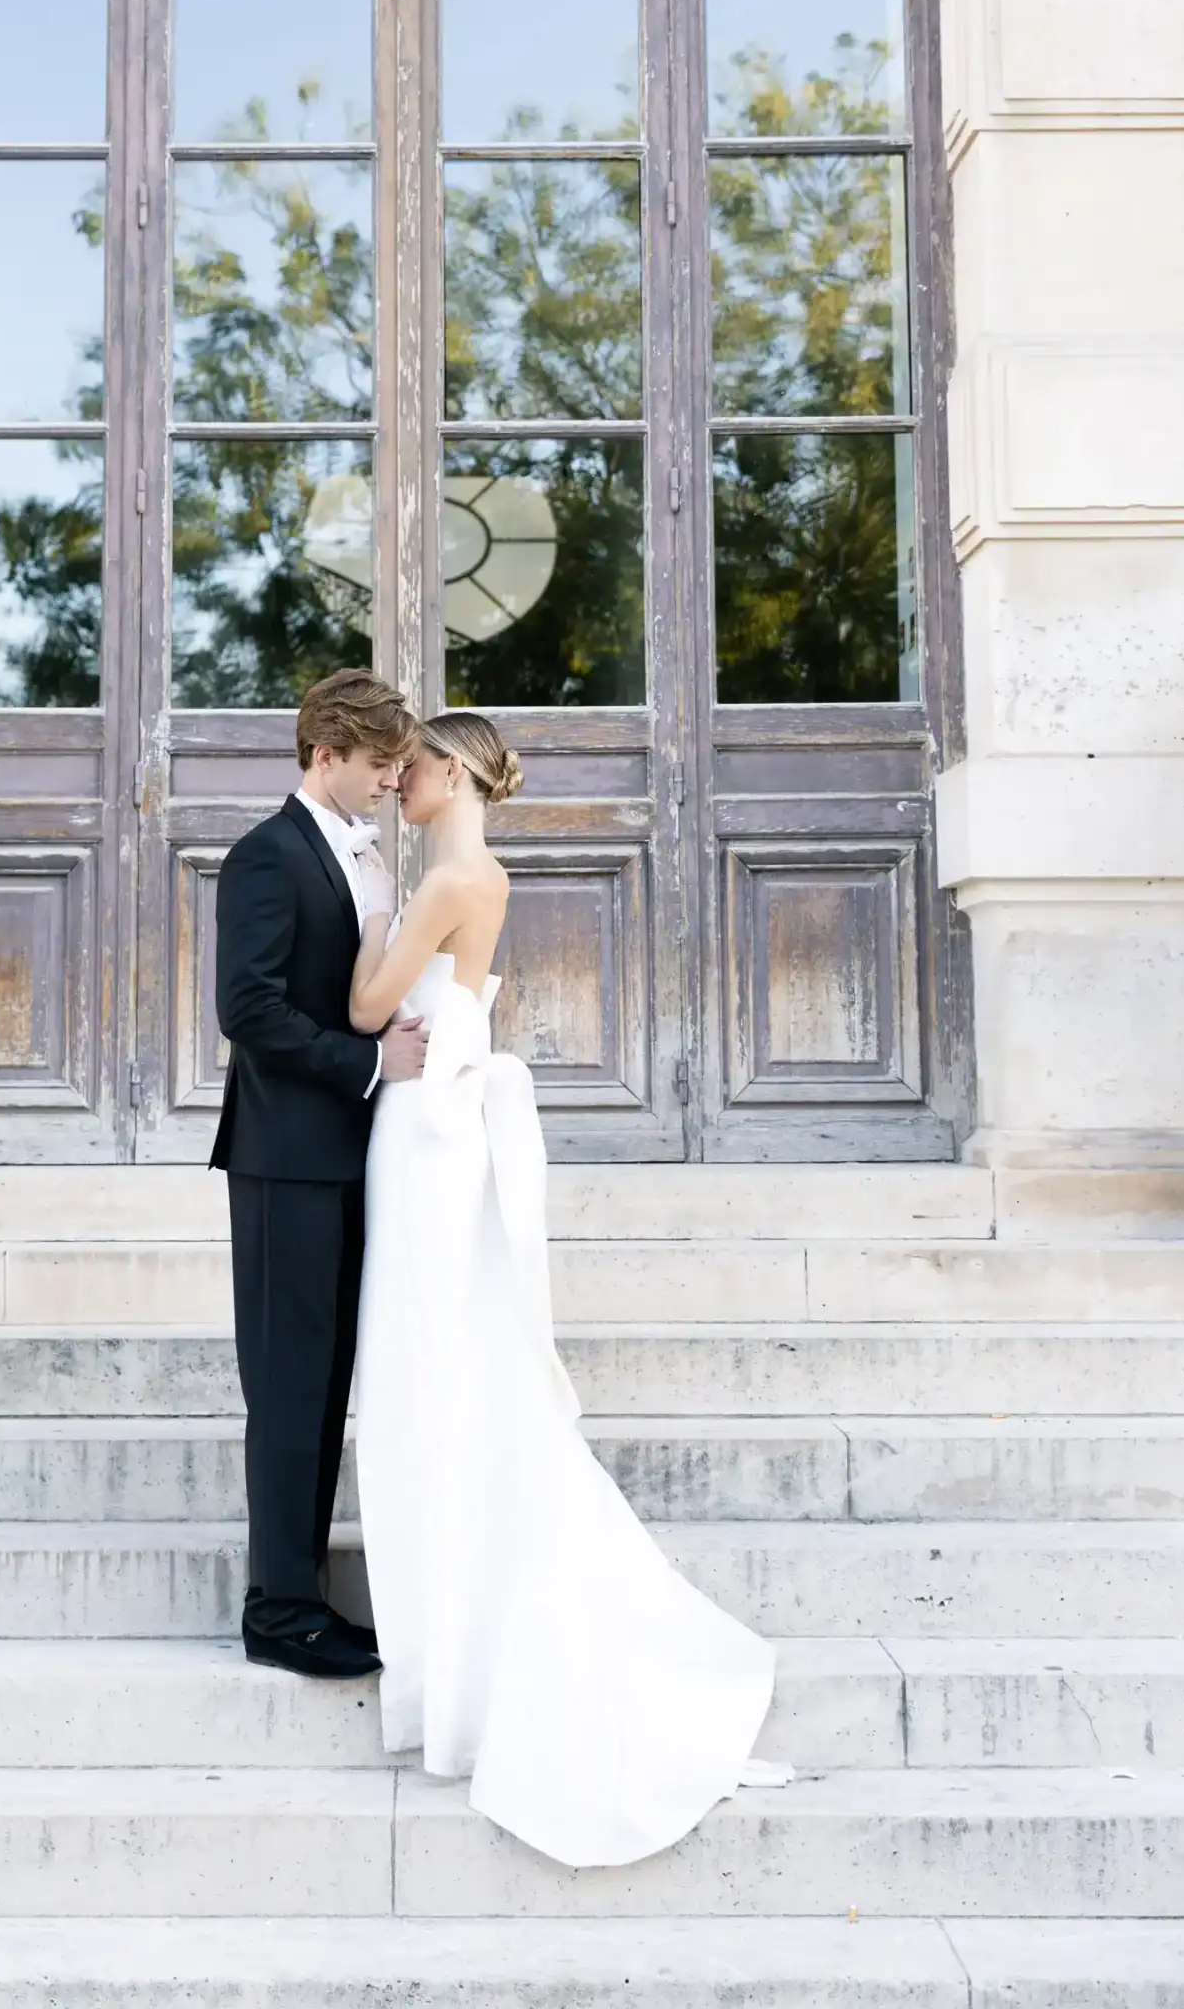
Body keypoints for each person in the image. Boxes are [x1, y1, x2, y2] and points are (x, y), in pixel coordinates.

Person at [348, 709, 790, 1866]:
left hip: (423, 1119)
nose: (398, 785)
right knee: (439, 1355)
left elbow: (363, 1007)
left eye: (412, 771)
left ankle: (463, 1639)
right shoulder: (465, 872)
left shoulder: (447, 882)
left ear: (450, 773)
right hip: (432, 1116)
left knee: (432, 1358)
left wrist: (370, 925)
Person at [212, 668, 427, 1680]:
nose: (393, 782)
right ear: (323, 755)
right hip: (283, 1163)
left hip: (345, 1158)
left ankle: (302, 1593)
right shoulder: (266, 856)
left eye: (399, 766)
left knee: (328, 1384)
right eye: (379, 764)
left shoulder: (361, 854)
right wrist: (371, 1063)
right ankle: (279, 1610)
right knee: (290, 1391)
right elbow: (247, 1009)